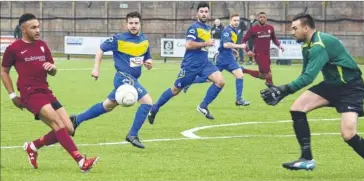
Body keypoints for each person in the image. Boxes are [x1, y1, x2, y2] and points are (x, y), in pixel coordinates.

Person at [260, 12, 364, 179]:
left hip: (351, 88)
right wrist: (283, 93)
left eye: (294, 28)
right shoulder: (306, 45)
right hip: (331, 86)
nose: (291, 31)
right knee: (297, 109)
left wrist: (283, 89)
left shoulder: (319, 45)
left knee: (348, 134)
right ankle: (307, 158)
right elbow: (304, 74)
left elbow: (309, 78)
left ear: (306, 28)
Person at [1, 13, 98, 172]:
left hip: (45, 91)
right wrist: (12, 95)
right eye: (33, 27)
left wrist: (52, 68)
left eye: (38, 26)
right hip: (29, 93)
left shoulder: (42, 45)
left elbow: (52, 70)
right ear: (23, 29)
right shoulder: (14, 49)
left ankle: (33, 146)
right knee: (57, 124)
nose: (38, 30)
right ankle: (81, 162)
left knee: (68, 129)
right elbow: (4, 71)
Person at [70, 12, 153, 149]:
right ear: (126, 24)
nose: (133, 26)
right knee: (147, 102)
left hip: (134, 79)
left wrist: (148, 62)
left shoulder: (144, 40)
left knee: (107, 106)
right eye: (130, 23)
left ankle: (77, 120)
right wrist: (96, 69)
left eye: (136, 23)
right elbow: (100, 50)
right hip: (122, 78)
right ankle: (132, 135)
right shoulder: (118, 39)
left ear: (140, 24)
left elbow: (147, 57)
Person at [148, 2, 225, 123]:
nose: (204, 14)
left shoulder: (208, 28)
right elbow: (188, 45)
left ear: (209, 13)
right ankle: (154, 108)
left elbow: (205, 46)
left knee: (220, 81)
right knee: (175, 90)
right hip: (191, 65)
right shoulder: (194, 27)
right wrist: (206, 43)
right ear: (197, 14)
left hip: (205, 63)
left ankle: (203, 106)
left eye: (206, 12)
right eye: (201, 12)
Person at [182, 13, 250, 106]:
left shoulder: (234, 30)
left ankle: (239, 99)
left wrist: (233, 50)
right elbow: (226, 44)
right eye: (234, 20)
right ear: (230, 20)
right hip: (224, 59)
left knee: (237, 76)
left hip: (228, 58)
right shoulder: (227, 30)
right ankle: (188, 82)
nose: (236, 22)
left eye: (238, 20)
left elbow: (225, 45)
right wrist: (240, 46)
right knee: (212, 79)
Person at [242, 12, 284, 87]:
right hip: (258, 55)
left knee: (262, 75)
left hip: (267, 54)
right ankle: (272, 88)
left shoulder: (270, 28)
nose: (262, 18)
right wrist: (248, 50)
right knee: (267, 74)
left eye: (264, 17)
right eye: (260, 17)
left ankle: (244, 70)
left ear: (266, 18)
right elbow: (243, 40)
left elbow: (274, 38)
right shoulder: (253, 29)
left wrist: (279, 45)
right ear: (258, 18)